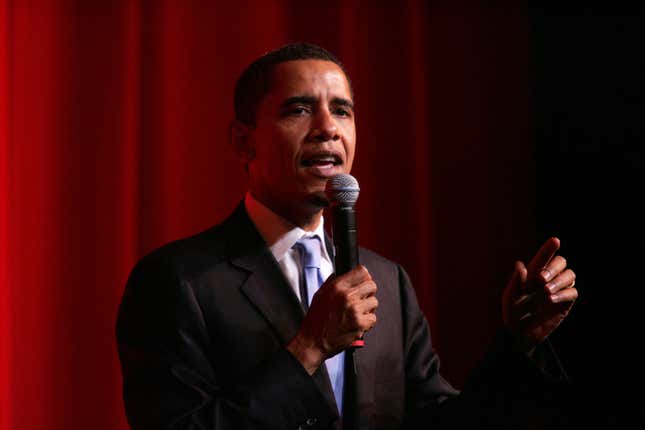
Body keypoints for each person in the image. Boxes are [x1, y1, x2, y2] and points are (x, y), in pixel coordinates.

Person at [116, 43, 578, 430]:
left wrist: (518, 343)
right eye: (298, 109)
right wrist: (309, 348)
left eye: (342, 110)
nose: (327, 129)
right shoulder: (180, 281)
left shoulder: (387, 280)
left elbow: (440, 420)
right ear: (243, 141)